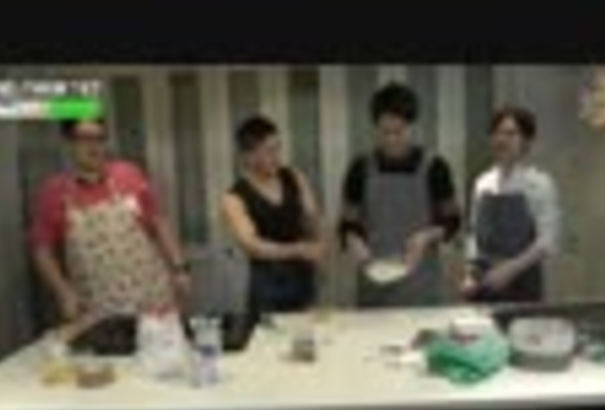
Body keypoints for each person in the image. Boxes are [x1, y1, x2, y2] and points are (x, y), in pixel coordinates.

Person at [30, 118, 191, 322]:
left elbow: (159, 221)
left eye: (99, 138)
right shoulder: (54, 192)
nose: (94, 146)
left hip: (152, 296)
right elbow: (42, 250)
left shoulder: (129, 174)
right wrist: (63, 291)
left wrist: (179, 268)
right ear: (69, 143)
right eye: (85, 138)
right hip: (100, 306)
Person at [339, 83, 461, 307]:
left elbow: (452, 221)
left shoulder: (435, 167)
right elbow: (348, 223)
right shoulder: (360, 168)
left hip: (420, 283)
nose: (391, 139)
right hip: (373, 281)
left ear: (412, 126)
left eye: (399, 132)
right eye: (385, 132)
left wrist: (425, 237)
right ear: (375, 127)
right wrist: (355, 242)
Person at [221, 115, 326, 315]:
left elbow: (311, 217)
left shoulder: (293, 177)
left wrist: (318, 242)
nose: (277, 157)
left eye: (278, 148)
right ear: (249, 156)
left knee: (307, 330)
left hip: (303, 277)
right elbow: (252, 246)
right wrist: (298, 249)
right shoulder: (234, 198)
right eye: (270, 151)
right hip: (267, 284)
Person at [461, 106, 563, 303]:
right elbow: (474, 234)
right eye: (497, 133)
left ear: (526, 141)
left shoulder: (539, 184)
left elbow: (547, 241)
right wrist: (469, 274)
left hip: (523, 286)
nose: (502, 140)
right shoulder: (482, 183)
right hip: (484, 283)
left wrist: (510, 270)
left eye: (511, 134)